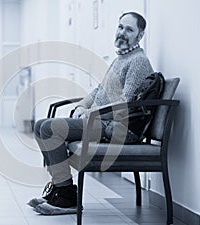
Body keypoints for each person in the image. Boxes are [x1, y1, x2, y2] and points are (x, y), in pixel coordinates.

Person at [28, 12, 154, 215]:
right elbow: (99, 91)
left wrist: (92, 112)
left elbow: (125, 102)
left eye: (129, 29)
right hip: (102, 121)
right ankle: (61, 189)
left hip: (118, 128)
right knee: (40, 125)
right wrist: (82, 107)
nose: (122, 32)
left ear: (140, 36)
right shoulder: (120, 59)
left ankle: (66, 196)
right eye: (120, 27)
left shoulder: (138, 61)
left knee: (50, 128)